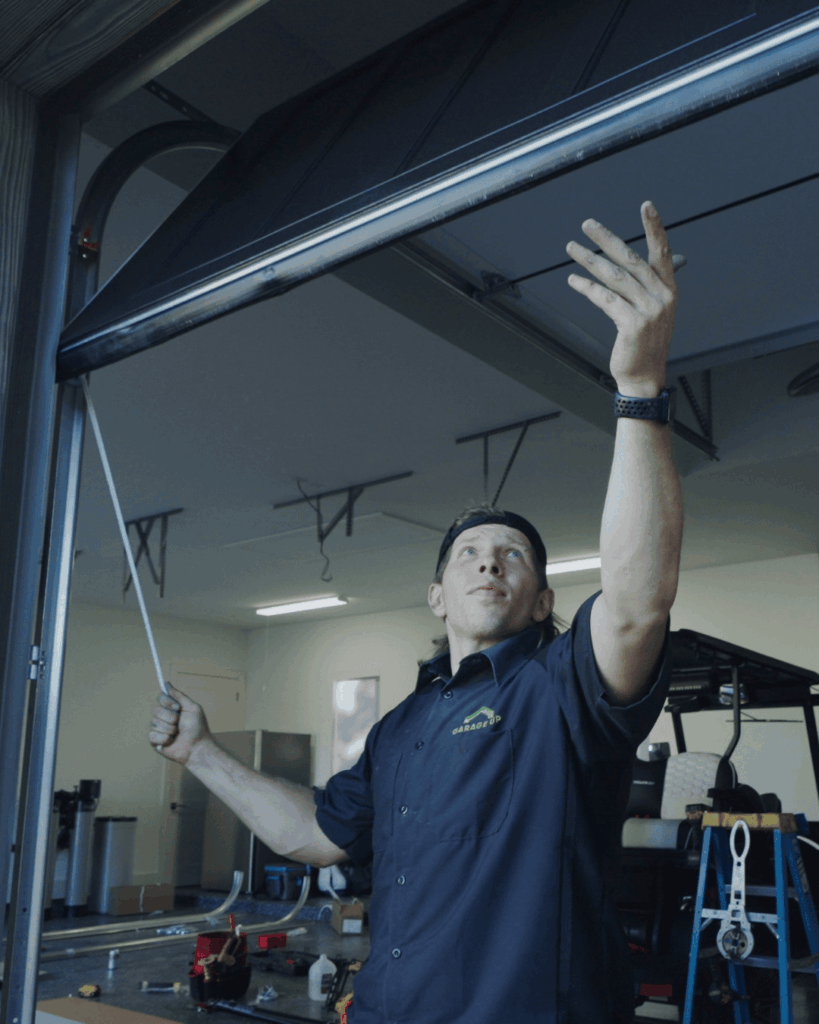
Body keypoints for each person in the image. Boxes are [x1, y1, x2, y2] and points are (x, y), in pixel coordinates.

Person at [150, 201, 683, 1023]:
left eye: (512, 554)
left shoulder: (558, 691)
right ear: (437, 596)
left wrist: (638, 391)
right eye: (468, 554)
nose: (489, 560)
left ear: (543, 599)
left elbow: (639, 605)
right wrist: (201, 752)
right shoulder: (401, 729)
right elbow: (316, 834)